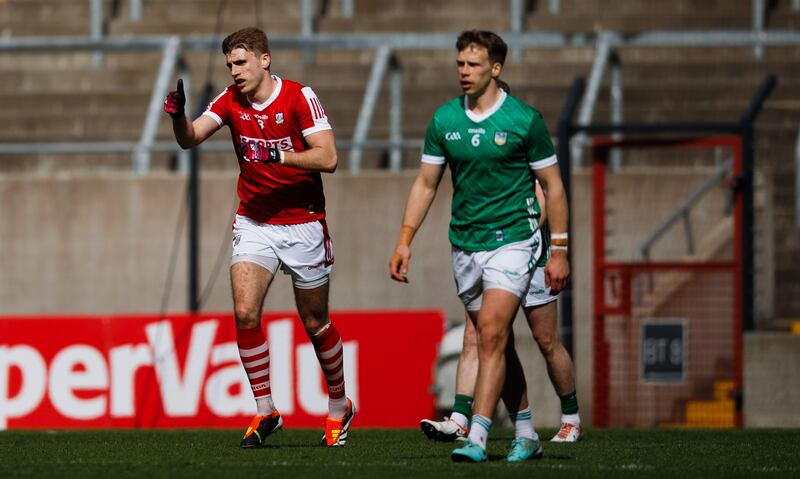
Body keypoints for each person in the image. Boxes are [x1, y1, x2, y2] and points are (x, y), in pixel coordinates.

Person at [163, 26, 354, 449]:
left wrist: (278, 154)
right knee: (246, 312)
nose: (234, 71)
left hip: (303, 223)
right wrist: (178, 116)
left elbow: (329, 157)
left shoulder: (299, 97)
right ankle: (266, 410)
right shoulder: (230, 101)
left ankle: (339, 406)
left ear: (264, 60)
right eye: (230, 64)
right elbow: (190, 139)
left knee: (314, 322)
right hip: (254, 221)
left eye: (241, 62)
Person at [389, 30, 570, 463]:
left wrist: (559, 248)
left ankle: (479, 435)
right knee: (498, 344)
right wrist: (404, 240)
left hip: (514, 239)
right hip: (465, 244)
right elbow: (426, 183)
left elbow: (554, 187)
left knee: (489, 334)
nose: (464, 72)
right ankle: (526, 431)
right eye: (459, 64)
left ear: (495, 68)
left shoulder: (524, 120)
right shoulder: (445, 120)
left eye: (472, 64)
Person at [420, 182, 583, 445]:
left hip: (529, 250)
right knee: (476, 332)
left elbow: (546, 195)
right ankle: (460, 419)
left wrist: (522, 241)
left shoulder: (521, 140)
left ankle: (571, 419)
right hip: (492, 250)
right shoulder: (476, 144)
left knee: (546, 339)